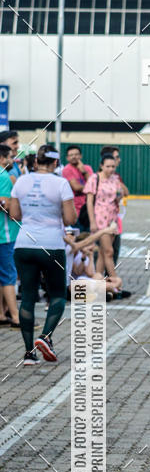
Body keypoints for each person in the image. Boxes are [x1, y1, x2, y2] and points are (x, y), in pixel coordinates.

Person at [9, 144, 76, 365]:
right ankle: (45, 336)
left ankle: (29, 353)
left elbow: (15, 214)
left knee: (28, 296)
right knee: (56, 295)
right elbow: (69, 219)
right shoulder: (61, 183)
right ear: (56, 163)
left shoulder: (21, 182)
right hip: (51, 245)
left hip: (24, 244)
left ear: (36, 161)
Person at [84, 153, 123, 281]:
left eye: (113, 166)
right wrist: (92, 221)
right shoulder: (94, 179)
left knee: (102, 252)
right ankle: (115, 280)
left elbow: (119, 196)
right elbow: (89, 202)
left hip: (112, 218)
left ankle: (98, 279)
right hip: (100, 218)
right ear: (101, 166)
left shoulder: (115, 179)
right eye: (108, 166)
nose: (111, 169)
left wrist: (119, 196)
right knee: (109, 252)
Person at [64, 225, 122, 297]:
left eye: (73, 234)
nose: (72, 237)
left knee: (101, 276)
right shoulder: (67, 248)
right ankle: (110, 289)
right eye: (68, 234)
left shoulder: (71, 250)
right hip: (69, 287)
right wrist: (103, 231)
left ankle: (106, 290)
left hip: (78, 284)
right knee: (80, 283)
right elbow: (86, 241)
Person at [100, 145, 129, 271]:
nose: (119, 160)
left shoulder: (116, 177)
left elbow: (125, 192)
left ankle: (110, 285)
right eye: (116, 157)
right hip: (102, 221)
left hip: (115, 220)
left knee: (114, 251)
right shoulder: (97, 178)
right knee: (104, 253)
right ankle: (103, 285)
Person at [0, 143, 20, 326]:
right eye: (10, 157)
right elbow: (6, 206)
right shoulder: (4, 176)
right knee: (8, 277)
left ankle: (1, 314)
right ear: (3, 158)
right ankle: (15, 317)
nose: (12, 160)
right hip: (5, 234)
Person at [62, 145, 93, 230]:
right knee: (78, 236)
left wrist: (84, 172)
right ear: (67, 158)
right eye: (71, 155)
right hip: (75, 209)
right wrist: (89, 188)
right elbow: (76, 187)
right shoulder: (67, 169)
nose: (74, 157)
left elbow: (94, 184)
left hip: (88, 209)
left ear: (81, 156)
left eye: (76, 154)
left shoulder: (87, 168)